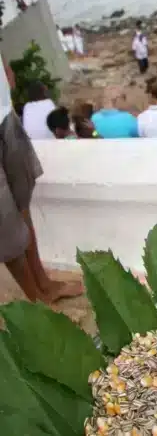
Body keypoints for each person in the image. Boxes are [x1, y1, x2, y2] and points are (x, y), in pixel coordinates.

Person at [0, 46, 83, 303]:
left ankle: (45, 284)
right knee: (4, 222)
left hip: (4, 113)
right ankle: (36, 300)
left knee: (22, 200)